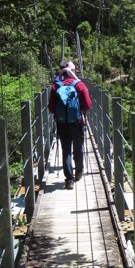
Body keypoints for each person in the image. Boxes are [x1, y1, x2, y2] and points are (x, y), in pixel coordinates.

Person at [48, 59, 92, 189]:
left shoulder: (56, 86)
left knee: (66, 150)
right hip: (77, 123)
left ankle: (69, 180)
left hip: (62, 123)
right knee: (78, 149)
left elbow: (51, 109)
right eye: (74, 70)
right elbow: (88, 105)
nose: (75, 71)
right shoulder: (79, 85)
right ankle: (79, 172)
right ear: (71, 71)